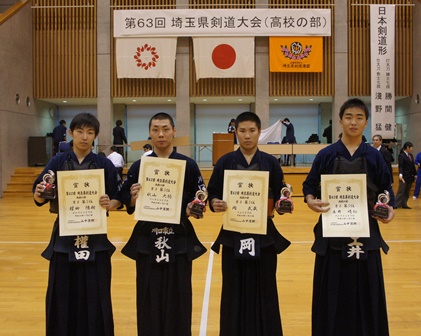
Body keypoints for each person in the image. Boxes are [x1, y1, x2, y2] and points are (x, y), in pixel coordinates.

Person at [302, 98, 395, 336]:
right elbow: (309, 186)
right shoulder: (326, 154)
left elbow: (387, 189)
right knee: (332, 294)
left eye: (359, 117)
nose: (353, 122)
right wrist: (311, 201)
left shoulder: (375, 157)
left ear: (366, 123)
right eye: (349, 117)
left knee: (368, 294)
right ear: (341, 121)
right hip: (332, 238)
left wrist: (389, 210)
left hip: (367, 235)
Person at [32, 113, 122, 336]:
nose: (85, 137)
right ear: (70, 133)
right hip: (64, 237)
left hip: (96, 237)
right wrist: (40, 194)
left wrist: (110, 203)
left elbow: (118, 197)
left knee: (96, 292)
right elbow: (39, 196)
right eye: (80, 131)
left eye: (90, 132)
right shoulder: (58, 162)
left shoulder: (104, 164)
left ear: (95, 136)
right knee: (62, 292)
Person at [120, 112, 207, 336]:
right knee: (148, 294)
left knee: (179, 294)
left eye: (166, 129)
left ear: (174, 132)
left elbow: (199, 196)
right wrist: (132, 197)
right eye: (156, 129)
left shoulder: (188, 165)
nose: (161, 134)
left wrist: (192, 207)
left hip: (179, 236)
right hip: (147, 238)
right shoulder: (139, 166)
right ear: (149, 132)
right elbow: (124, 201)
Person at [207, 111, 292, 336]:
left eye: (252, 131)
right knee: (233, 289)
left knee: (265, 288)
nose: (247, 136)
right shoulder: (225, 161)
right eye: (242, 131)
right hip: (233, 235)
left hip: (263, 236)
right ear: (235, 132)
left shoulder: (271, 162)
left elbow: (280, 194)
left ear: (259, 132)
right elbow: (212, 192)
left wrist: (283, 204)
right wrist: (215, 202)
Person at [394, 141, 416, 209]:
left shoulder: (411, 155)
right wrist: (400, 174)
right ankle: (395, 204)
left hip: (410, 176)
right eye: (411, 148)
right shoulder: (401, 155)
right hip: (404, 176)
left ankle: (404, 204)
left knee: (407, 191)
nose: (412, 149)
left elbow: (413, 166)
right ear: (407, 147)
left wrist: (415, 174)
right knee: (401, 190)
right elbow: (401, 166)